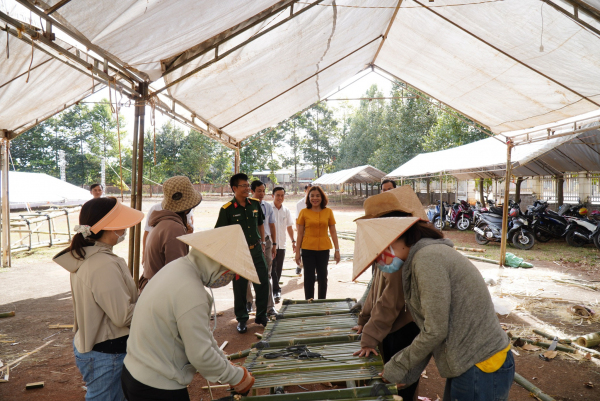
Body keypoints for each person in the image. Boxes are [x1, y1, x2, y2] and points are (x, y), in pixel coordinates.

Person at [353, 217, 513, 401]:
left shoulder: (427, 259)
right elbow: (432, 329)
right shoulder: (423, 256)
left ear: (397, 238)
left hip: (481, 364)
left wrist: (397, 366)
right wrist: (407, 373)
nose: (380, 257)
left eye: (380, 250)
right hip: (468, 362)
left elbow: (435, 331)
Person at [122, 225, 257, 401]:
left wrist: (223, 361)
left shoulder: (177, 267)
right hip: (157, 385)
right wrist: (237, 377)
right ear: (216, 263)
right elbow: (201, 355)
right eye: (230, 272)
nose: (228, 277)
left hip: (135, 372)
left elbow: (203, 336)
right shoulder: (192, 292)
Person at [53, 197, 143, 401]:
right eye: (122, 224)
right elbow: (122, 317)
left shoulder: (87, 255)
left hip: (97, 345)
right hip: (108, 351)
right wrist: (151, 302)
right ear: (110, 227)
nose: (125, 229)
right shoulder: (103, 263)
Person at [350, 186, 430, 401]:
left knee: (399, 382)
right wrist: (364, 320)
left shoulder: (399, 254)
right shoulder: (388, 250)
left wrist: (369, 338)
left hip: (403, 326)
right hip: (390, 325)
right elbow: (376, 289)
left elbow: (390, 302)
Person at [215, 173, 270, 333]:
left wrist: (262, 242)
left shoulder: (254, 204)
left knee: (263, 282)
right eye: (244, 186)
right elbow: (220, 233)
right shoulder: (227, 210)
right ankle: (242, 319)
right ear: (234, 188)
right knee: (240, 287)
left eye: (247, 185)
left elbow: (260, 223)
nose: (247, 188)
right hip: (238, 254)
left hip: (256, 251)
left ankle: (261, 315)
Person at [140, 176, 202, 292]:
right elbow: (177, 274)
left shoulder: (163, 223)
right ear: (187, 209)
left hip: (155, 288)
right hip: (162, 292)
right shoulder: (174, 229)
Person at [295, 186, 340, 299]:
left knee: (323, 278)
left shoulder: (328, 212)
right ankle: (309, 303)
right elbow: (300, 234)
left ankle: (321, 302)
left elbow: (333, 232)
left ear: (322, 197)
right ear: (308, 198)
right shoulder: (303, 212)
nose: (315, 198)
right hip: (307, 249)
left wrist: (337, 250)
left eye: (318, 196)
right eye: (312, 196)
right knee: (309, 278)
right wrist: (297, 252)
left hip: (324, 249)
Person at [246, 180, 277, 316]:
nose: (262, 194)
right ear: (252, 191)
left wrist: (274, 244)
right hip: (249, 244)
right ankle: (248, 302)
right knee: (247, 274)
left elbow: (271, 226)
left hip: (267, 243)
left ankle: (269, 307)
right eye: (259, 191)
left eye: (263, 191)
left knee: (266, 275)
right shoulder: (245, 206)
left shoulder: (268, 206)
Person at [271, 186, 295, 303]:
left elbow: (289, 227)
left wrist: (293, 241)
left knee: (278, 268)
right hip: (271, 245)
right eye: (278, 195)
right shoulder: (268, 209)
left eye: (282, 195)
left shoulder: (286, 210)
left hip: (282, 245)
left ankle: (274, 289)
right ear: (273, 196)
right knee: (272, 268)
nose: (280, 197)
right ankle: (276, 290)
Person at [295, 183, 312, 274]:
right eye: (309, 190)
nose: (310, 193)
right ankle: (300, 265)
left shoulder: (317, 202)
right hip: (303, 231)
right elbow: (297, 219)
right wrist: (299, 233)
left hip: (313, 232)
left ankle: (313, 272)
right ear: (305, 191)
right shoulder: (300, 204)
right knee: (303, 250)